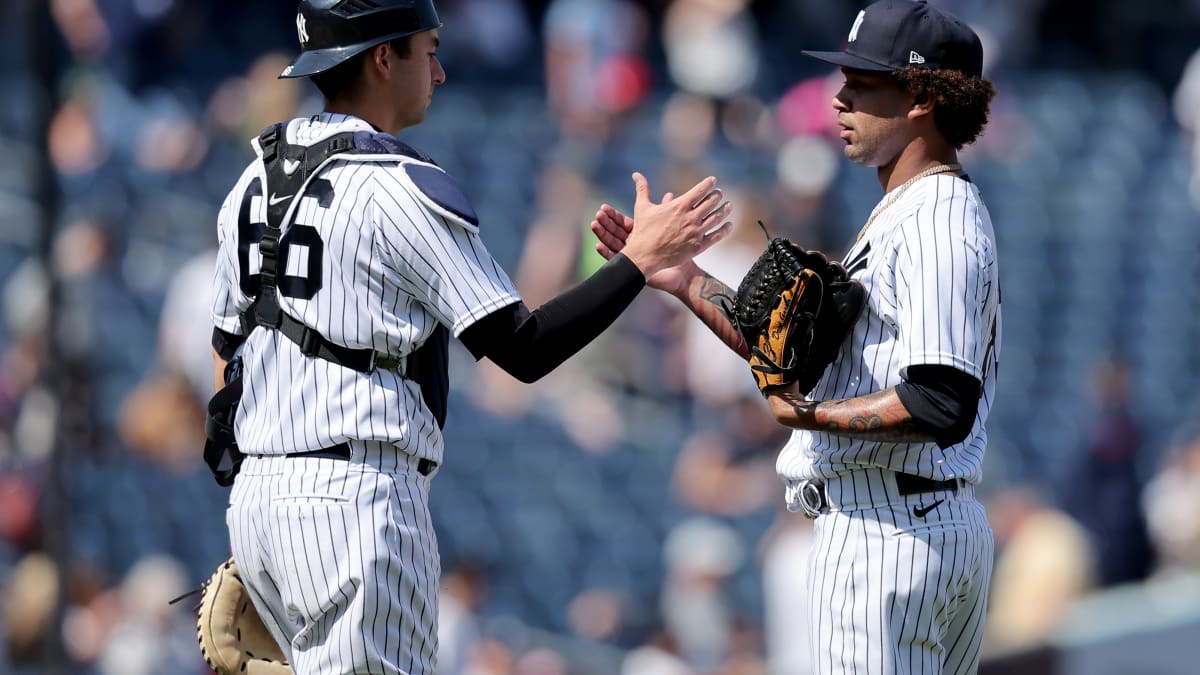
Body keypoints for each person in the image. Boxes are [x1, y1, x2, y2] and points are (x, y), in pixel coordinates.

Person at [207, 1, 732, 673]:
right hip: (355, 500)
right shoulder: (399, 185)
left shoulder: (249, 185)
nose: (442, 70)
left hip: (257, 506)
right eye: (427, 49)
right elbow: (524, 348)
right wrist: (638, 264)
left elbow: (229, 354)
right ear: (382, 57)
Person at [593, 1, 1000, 672]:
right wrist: (685, 278)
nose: (840, 97)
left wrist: (807, 416)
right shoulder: (902, 214)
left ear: (923, 97)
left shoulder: (935, 219)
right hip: (912, 521)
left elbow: (939, 399)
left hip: (886, 531)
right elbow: (793, 353)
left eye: (864, 82)